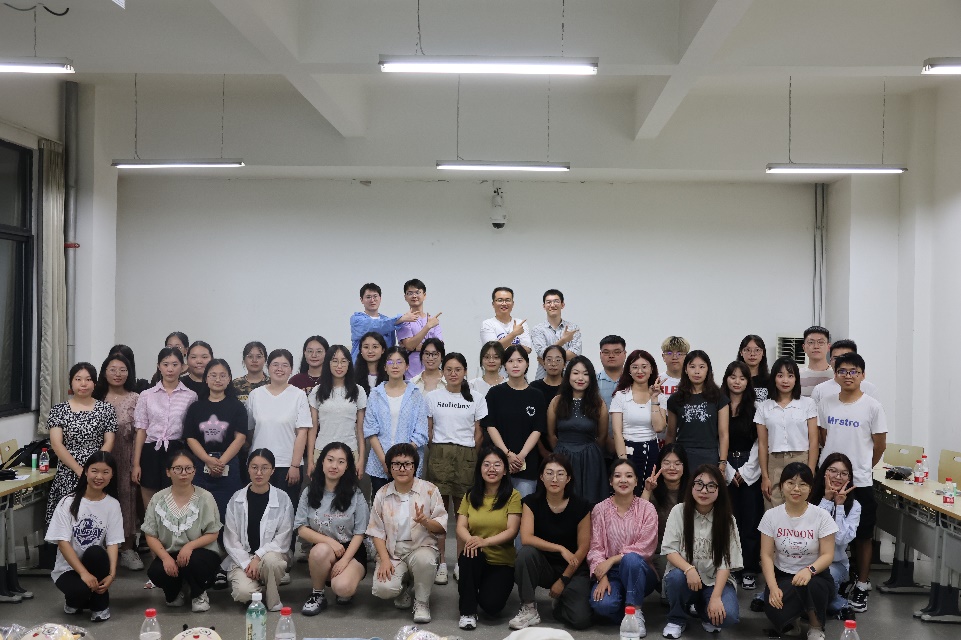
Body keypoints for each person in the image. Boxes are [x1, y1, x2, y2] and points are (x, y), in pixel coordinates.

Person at [816, 352, 886, 614]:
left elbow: (879, 445)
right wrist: (834, 472)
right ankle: (824, 575)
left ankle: (862, 584)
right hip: (827, 478)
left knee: (863, 534)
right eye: (843, 371)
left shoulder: (873, 407)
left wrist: (862, 469)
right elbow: (823, 437)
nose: (848, 376)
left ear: (863, 375)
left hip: (859, 481)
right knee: (822, 528)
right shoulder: (826, 403)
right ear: (835, 374)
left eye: (854, 371)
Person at [510, 453, 592, 631]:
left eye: (560, 474)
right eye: (549, 473)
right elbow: (526, 538)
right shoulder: (531, 502)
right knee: (525, 553)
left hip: (573, 568)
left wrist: (563, 580)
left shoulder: (581, 505)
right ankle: (529, 608)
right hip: (544, 565)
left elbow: (583, 547)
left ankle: (561, 603)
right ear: (541, 476)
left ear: (568, 478)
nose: (554, 479)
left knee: (580, 620)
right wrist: (560, 548)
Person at [367, 443, 448, 624]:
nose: (402, 469)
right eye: (396, 464)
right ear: (389, 468)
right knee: (383, 589)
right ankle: (403, 588)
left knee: (425, 561)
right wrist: (384, 560)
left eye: (407, 464)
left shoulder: (429, 490)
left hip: (421, 548)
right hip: (393, 552)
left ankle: (421, 602)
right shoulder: (382, 494)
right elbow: (376, 531)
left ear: (415, 466)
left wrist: (426, 522)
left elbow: (442, 527)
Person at [426, 352, 487, 584]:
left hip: (466, 456)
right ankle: (441, 562)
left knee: (463, 513)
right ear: (443, 372)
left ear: (465, 372)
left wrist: (470, 455)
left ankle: (461, 562)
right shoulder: (433, 397)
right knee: (439, 513)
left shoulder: (477, 398)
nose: (453, 374)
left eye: (458, 369)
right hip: (439, 454)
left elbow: (479, 433)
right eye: (449, 369)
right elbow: (429, 429)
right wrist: (438, 452)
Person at [661, 464, 743, 638]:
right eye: (699, 484)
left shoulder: (727, 520)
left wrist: (716, 597)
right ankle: (676, 619)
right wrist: (689, 569)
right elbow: (669, 550)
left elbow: (726, 563)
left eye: (711, 486)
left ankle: (704, 611)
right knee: (676, 578)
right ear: (691, 486)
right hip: (685, 578)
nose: (704, 491)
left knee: (728, 616)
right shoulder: (679, 511)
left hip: (714, 581)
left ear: (719, 489)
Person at [759, 462, 838, 640]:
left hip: (816, 575)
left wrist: (809, 570)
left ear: (810, 488)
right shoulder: (771, 516)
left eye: (803, 484)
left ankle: (816, 626)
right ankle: (792, 619)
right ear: (781, 486)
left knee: (813, 586)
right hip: (783, 575)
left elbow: (827, 555)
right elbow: (766, 555)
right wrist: (772, 587)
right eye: (790, 483)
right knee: (775, 605)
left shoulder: (821, 516)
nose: (796, 489)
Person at [45, 451, 123, 622]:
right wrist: (83, 573)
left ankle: (100, 606)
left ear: (112, 475)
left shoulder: (112, 504)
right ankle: (74, 601)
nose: (99, 477)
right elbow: (62, 543)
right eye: (94, 471)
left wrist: (111, 574)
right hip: (68, 569)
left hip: (94, 563)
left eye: (105, 472)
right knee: (80, 591)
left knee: (96, 552)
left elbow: (113, 543)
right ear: (86, 471)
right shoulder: (67, 502)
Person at [142, 449, 223, 613]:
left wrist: (189, 546)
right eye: (177, 469)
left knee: (194, 562)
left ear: (194, 471)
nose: (183, 473)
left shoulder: (205, 497)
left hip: (200, 552)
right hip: (170, 552)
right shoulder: (158, 499)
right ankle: (175, 590)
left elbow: (213, 533)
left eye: (188, 468)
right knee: (156, 571)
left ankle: (198, 593)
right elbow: (150, 534)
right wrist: (165, 557)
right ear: (168, 472)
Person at [297, 442, 369, 614]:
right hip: (324, 549)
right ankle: (317, 594)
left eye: (341, 462)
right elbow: (301, 527)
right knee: (319, 550)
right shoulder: (309, 492)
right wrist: (329, 542)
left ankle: (343, 581)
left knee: (343, 588)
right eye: (330, 460)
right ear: (322, 461)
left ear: (347, 467)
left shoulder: (356, 494)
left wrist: (344, 560)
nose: (334, 466)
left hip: (351, 550)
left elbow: (360, 533)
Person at [455, 447, 522, 630]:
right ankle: (467, 612)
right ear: (480, 469)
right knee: (469, 554)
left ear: (505, 470)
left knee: (492, 607)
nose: (491, 469)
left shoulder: (513, 496)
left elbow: (512, 530)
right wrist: (472, 541)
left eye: (497, 465)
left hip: (501, 560)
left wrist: (485, 541)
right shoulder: (470, 495)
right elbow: (460, 526)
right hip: (476, 554)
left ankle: (477, 589)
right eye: (486, 464)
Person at [587, 459, 659, 627]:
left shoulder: (647, 509)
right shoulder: (600, 509)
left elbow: (645, 547)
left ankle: (635, 611)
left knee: (631, 559)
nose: (623, 480)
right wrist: (602, 576)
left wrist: (613, 559)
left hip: (640, 570)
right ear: (610, 481)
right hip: (610, 573)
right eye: (618, 476)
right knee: (603, 605)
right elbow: (595, 548)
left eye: (629, 476)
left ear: (636, 481)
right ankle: (625, 608)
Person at [222, 448, 294, 612]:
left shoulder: (282, 498)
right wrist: (248, 563)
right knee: (243, 593)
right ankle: (259, 585)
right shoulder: (236, 499)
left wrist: (258, 557)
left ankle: (272, 599)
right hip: (243, 558)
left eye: (265, 468)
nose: (259, 473)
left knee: (272, 561)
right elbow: (231, 539)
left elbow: (283, 538)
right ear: (248, 469)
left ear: (273, 470)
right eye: (254, 467)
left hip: (270, 556)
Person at [46, 362, 118, 526]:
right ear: (71, 383)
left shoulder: (106, 409)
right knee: (67, 521)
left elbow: (109, 441)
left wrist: (94, 470)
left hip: (98, 473)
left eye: (88, 379)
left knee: (96, 521)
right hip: (68, 470)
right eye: (78, 379)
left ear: (95, 383)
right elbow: (56, 444)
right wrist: (79, 470)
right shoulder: (59, 410)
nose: (83, 384)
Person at [92, 353, 142, 571]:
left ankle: (127, 549)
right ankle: (99, 548)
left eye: (123, 370)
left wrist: (136, 462)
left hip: (125, 456)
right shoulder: (96, 397)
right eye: (113, 369)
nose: (118, 374)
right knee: (99, 499)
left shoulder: (136, 398)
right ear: (104, 372)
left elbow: (140, 432)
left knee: (126, 499)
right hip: (98, 459)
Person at [184, 359, 248, 525]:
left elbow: (241, 437)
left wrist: (220, 462)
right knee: (199, 512)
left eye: (222, 375)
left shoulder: (237, 406)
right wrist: (207, 459)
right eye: (213, 375)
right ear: (206, 378)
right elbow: (190, 437)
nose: (218, 379)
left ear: (229, 379)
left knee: (228, 513)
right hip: (200, 463)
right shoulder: (196, 407)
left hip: (229, 462)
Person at [133, 347, 198, 508]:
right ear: (159, 366)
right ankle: (151, 525)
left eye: (175, 364)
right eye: (165, 364)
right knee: (150, 498)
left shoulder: (191, 396)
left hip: (177, 450)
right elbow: (141, 430)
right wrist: (136, 464)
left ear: (182, 367)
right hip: (151, 450)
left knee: (175, 497)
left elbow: (190, 430)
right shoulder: (146, 395)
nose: (170, 369)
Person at [247, 349, 312, 508]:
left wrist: (295, 465)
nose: (279, 369)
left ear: (291, 369)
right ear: (268, 367)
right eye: (275, 364)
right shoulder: (255, 395)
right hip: (259, 465)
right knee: (258, 508)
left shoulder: (298, 395)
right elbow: (249, 430)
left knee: (286, 510)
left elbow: (302, 433)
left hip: (287, 465)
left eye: (285, 365)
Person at [720, 361, 763, 591]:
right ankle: (731, 568)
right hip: (724, 465)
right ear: (726, 379)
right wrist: (727, 469)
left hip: (750, 466)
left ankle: (749, 569)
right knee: (729, 520)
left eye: (742, 378)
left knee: (750, 520)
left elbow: (760, 442)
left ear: (748, 382)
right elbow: (717, 438)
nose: (737, 381)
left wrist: (745, 471)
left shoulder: (756, 408)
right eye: (733, 376)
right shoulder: (718, 405)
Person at [364, 347, 429, 495]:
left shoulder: (415, 395)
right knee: (382, 505)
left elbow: (421, 432)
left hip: (408, 464)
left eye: (399, 362)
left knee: (408, 505)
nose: (395, 366)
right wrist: (385, 461)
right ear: (385, 367)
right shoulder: (375, 394)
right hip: (379, 464)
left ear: (407, 366)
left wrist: (401, 461)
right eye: (390, 362)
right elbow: (370, 430)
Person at [483, 346, 547, 498]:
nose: (515, 365)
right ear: (504, 365)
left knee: (524, 507)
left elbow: (537, 429)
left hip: (527, 463)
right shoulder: (494, 393)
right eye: (510, 361)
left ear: (527, 364)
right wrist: (507, 454)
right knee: (497, 508)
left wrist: (521, 456)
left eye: (520, 360)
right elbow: (490, 426)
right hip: (498, 462)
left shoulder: (537, 395)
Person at [757, 356, 819, 509]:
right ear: (774, 378)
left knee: (799, 508)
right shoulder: (764, 407)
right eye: (780, 375)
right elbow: (762, 444)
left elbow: (814, 441)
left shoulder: (808, 404)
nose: (785, 380)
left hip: (801, 459)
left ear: (796, 379)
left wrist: (810, 472)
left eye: (790, 376)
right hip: (774, 462)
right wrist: (765, 476)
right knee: (773, 508)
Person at [547, 356, 608, 505]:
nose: (580, 378)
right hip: (562, 457)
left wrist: (588, 451)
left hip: (590, 459)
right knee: (562, 501)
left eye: (585, 374)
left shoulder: (598, 403)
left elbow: (602, 437)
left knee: (590, 502)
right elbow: (551, 435)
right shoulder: (556, 401)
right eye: (576, 373)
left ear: (591, 378)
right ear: (568, 376)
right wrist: (562, 450)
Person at [810, 453, 860, 619]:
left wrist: (839, 507)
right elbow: (812, 533)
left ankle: (817, 605)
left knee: (818, 581)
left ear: (849, 478)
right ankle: (837, 603)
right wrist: (826, 500)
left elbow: (839, 539)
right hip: (805, 559)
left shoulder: (854, 506)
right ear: (824, 472)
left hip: (834, 564)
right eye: (833, 471)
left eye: (844, 473)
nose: (838, 477)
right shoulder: (809, 496)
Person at [306, 345, 367, 477]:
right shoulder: (317, 391)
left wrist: (361, 459)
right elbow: (313, 428)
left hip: (350, 451)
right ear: (328, 363)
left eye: (343, 361)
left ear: (349, 364)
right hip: (322, 451)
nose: (339, 366)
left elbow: (360, 429)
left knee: (347, 489)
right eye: (335, 361)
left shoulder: (358, 391)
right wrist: (310, 460)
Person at [665, 350, 730, 472]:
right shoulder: (675, 399)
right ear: (685, 369)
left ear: (708, 370)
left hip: (709, 455)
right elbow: (670, 434)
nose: (697, 371)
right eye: (692, 367)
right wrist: (667, 459)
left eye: (702, 367)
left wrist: (722, 462)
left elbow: (723, 434)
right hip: (682, 456)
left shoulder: (719, 397)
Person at [611, 350, 665, 481]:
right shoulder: (620, 395)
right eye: (635, 367)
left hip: (651, 450)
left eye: (644, 367)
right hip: (627, 449)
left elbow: (659, 428)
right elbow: (617, 432)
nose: (639, 371)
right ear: (629, 370)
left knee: (648, 488)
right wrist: (623, 461)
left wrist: (654, 399)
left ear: (651, 369)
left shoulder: (660, 396)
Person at [641, 444, 691, 579]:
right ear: (659, 465)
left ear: (684, 466)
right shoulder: (652, 490)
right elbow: (639, 520)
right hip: (661, 551)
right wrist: (647, 491)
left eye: (677, 463)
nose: (672, 468)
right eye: (667, 463)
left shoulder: (694, 490)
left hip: (689, 550)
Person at [350, 283, 417, 362]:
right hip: (360, 365)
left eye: (375, 296)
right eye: (368, 297)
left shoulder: (388, 320)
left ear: (380, 298)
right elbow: (375, 326)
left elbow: (390, 346)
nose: (372, 300)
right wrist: (400, 319)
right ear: (361, 300)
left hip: (382, 366)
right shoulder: (357, 319)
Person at [396, 278, 444, 379]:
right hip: (411, 373)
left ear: (424, 295)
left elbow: (439, 347)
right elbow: (409, 345)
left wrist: (416, 346)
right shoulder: (403, 320)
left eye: (417, 292)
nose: (414, 296)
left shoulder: (433, 320)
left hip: (433, 372)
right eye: (410, 293)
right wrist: (428, 327)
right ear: (405, 297)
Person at [531, 289, 581, 380]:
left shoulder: (573, 328)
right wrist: (563, 341)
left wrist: (547, 359)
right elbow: (542, 353)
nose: (552, 305)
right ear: (544, 306)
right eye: (548, 302)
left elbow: (575, 352)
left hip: (567, 378)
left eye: (556, 301)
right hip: (543, 378)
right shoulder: (537, 329)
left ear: (562, 305)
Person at [809, 340, 879, 405]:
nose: (840, 362)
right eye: (836, 358)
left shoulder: (869, 389)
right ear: (830, 361)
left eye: (846, 357)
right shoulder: (819, 390)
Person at [480, 286, 532, 353]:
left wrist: (502, 344)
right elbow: (492, 349)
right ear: (493, 304)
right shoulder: (487, 324)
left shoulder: (520, 323)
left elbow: (527, 349)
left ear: (513, 303)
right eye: (500, 300)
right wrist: (514, 334)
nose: (504, 303)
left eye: (507, 300)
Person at [659, 336, 690, 414]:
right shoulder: (657, 381)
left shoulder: (693, 381)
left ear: (687, 356)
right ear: (663, 356)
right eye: (669, 353)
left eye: (679, 353)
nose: (674, 357)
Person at [800, 326, 833, 397]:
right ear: (804, 347)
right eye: (811, 342)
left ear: (828, 347)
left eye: (821, 342)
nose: (816, 346)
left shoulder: (836, 375)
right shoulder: (797, 375)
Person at [737, 335, 770, 401]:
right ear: (741, 352)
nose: (752, 354)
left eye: (757, 350)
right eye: (748, 350)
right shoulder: (735, 380)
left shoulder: (770, 380)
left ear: (763, 353)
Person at [355, 331, 388, 396]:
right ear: (360, 350)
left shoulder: (390, 375)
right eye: (366, 347)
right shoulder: (353, 377)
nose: (370, 351)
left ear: (383, 350)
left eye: (375, 347)